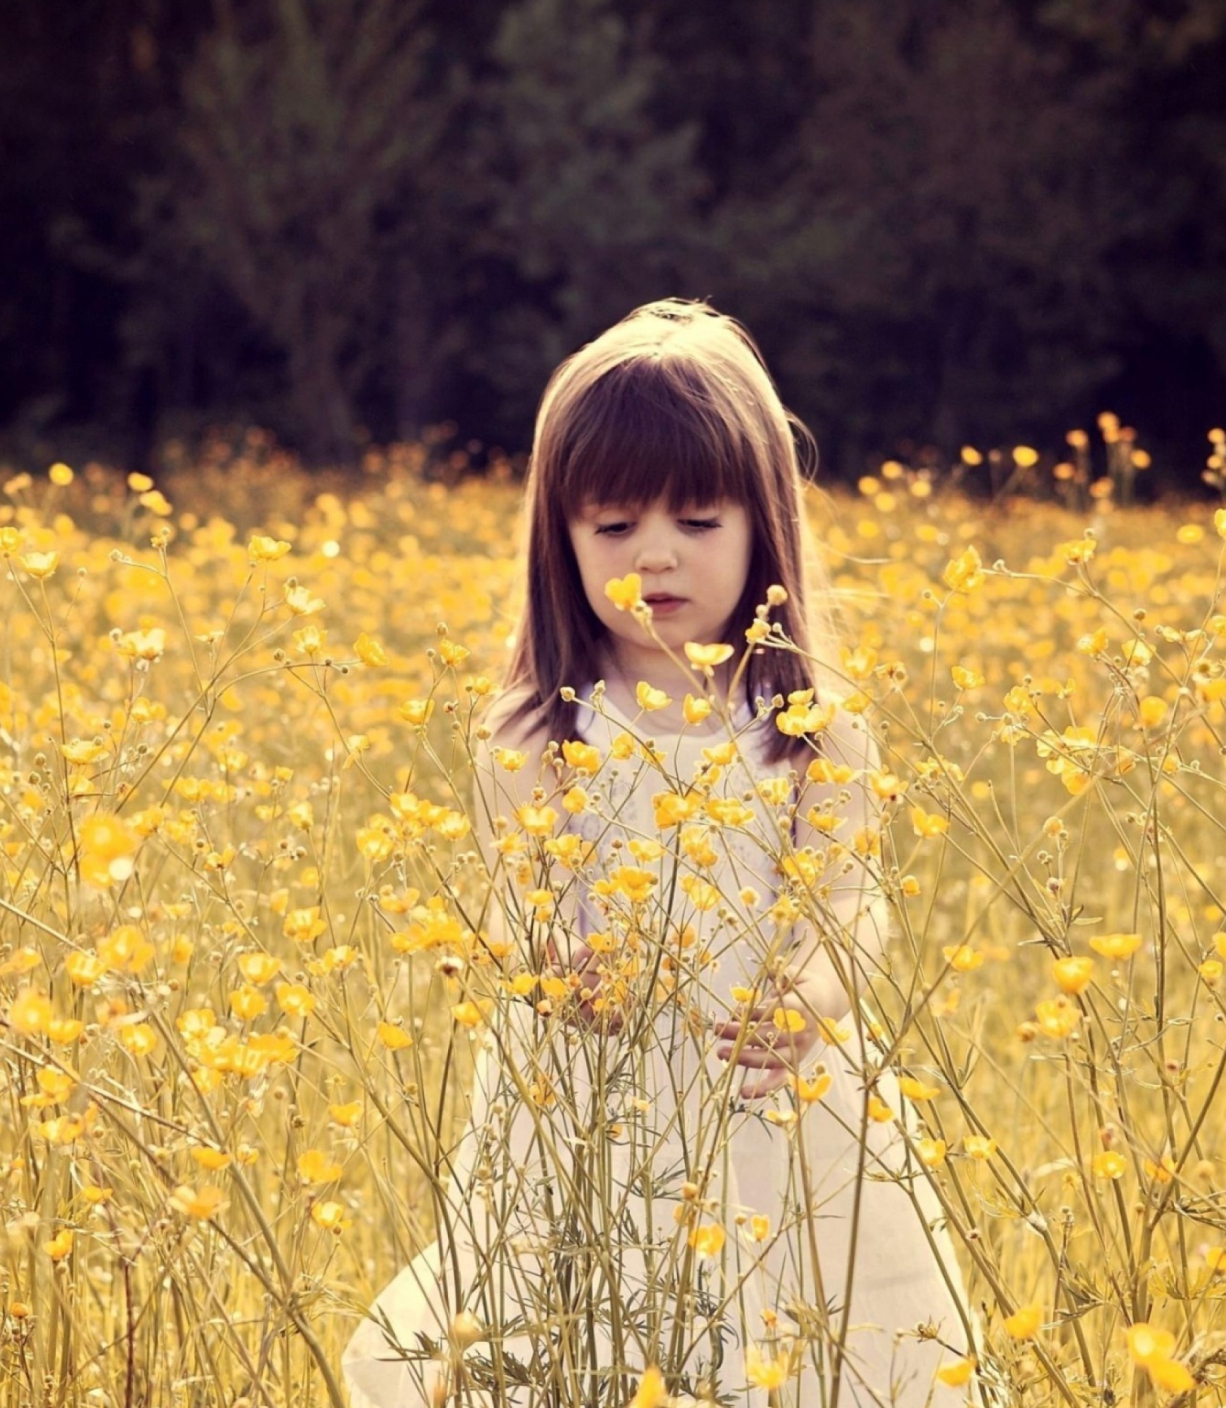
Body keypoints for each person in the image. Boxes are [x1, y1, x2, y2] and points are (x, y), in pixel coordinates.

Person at [341, 300, 992, 1407]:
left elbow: (856, 902)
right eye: (611, 527)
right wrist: (553, 960)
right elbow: (519, 906)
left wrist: (810, 996)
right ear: (561, 538)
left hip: (779, 1094)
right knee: (577, 1342)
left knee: (818, 1349)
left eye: (698, 520)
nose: (655, 554)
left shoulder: (812, 720)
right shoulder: (541, 726)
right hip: (592, 1103)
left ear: (763, 528)